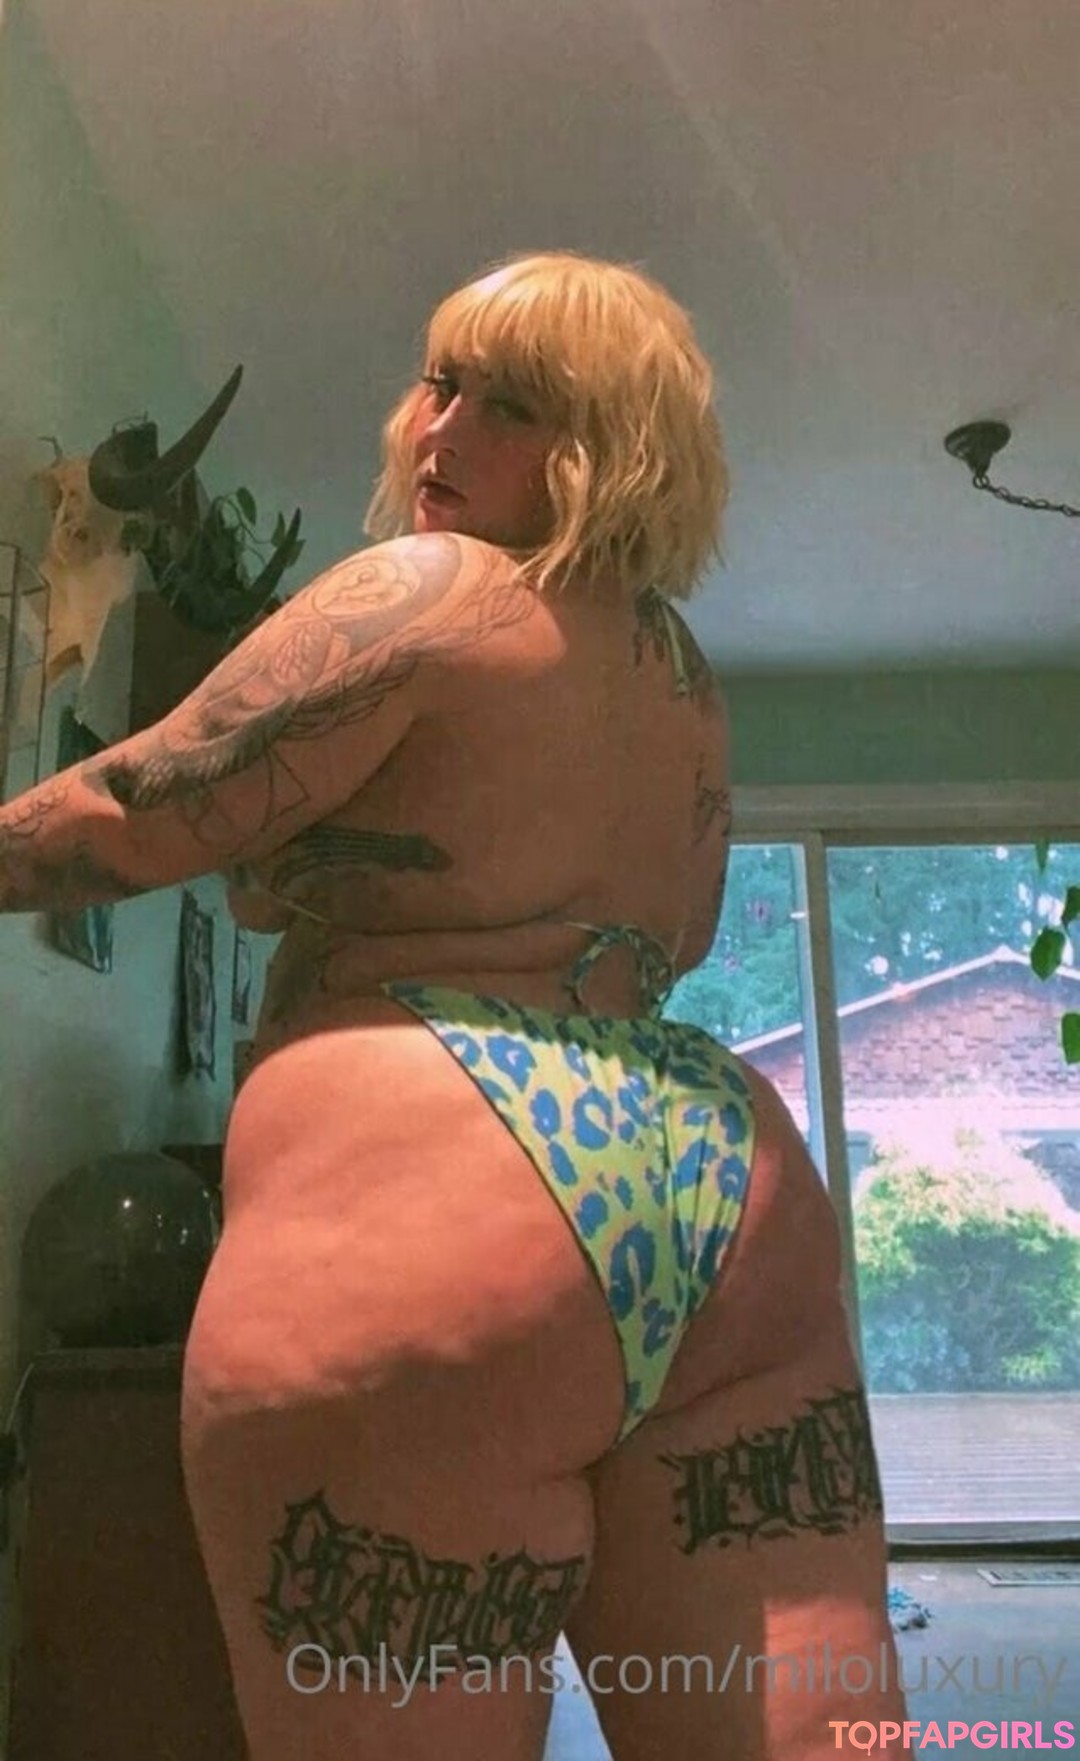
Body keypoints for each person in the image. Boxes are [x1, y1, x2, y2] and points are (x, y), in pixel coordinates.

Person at [1, 251, 907, 1759]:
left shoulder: (429, 589)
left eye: (515, 406)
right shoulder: (680, 676)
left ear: (609, 449)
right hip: (717, 1177)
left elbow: (136, 811)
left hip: (443, 1173)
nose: (440, 431)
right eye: (442, 382)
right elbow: (676, 931)